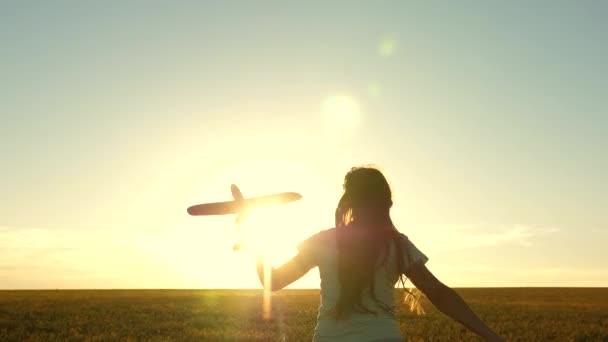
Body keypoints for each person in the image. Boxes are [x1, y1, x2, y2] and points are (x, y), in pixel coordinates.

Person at [255, 166, 503, 341]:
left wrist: (253, 237)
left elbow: (273, 281)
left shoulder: (324, 241)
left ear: (350, 201)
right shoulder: (397, 246)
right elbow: (439, 293)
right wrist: (491, 335)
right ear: (386, 202)